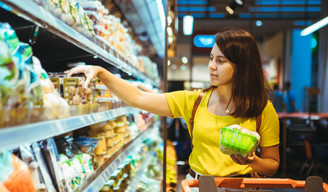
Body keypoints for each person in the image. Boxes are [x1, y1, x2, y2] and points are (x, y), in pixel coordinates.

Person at [65, 29, 280, 178]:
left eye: (221, 61)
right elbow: (138, 98)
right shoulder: (193, 101)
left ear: (241, 65)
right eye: (211, 58)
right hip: (198, 191)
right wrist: (101, 73)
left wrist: (251, 161)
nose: (212, 66)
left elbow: (272, 165)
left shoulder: (262, 109)